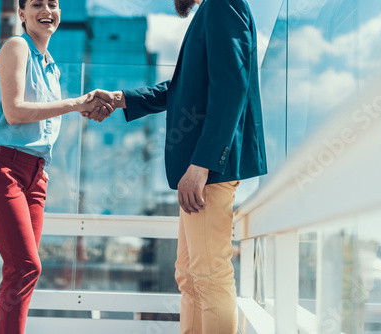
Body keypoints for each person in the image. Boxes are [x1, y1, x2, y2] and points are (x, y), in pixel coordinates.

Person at [86, 0, 267, 332]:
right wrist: (120, 98)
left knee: (210, 275)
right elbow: (183, 91)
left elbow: (232, 85)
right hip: (201, 170)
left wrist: (203, 164)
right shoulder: (209, 11)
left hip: (209, 171)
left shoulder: (222, 4)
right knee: (189, 274)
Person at [0, 0, 111, 333]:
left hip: (35, 176)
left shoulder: (51, 66)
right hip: (1, 167)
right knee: (25, 266)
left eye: (53, 3)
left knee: (22, 270)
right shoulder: (17, 46)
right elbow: (15, 112)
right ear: (22, 13)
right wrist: (78, 103)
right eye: (36, 4)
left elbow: (45, 128)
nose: (46, 9)